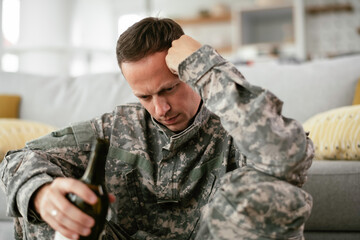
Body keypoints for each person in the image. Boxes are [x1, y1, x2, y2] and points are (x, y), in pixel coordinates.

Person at [0, 17, 314, 240]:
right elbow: (19, 157)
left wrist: (207, 67)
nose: (160, 109)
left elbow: (284, 157)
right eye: (145, 96)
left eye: (169, 89)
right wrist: (41, 194)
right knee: (41, 205)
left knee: (277, 192)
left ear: (190, 73)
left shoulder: (235, 126)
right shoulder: (117, 127)